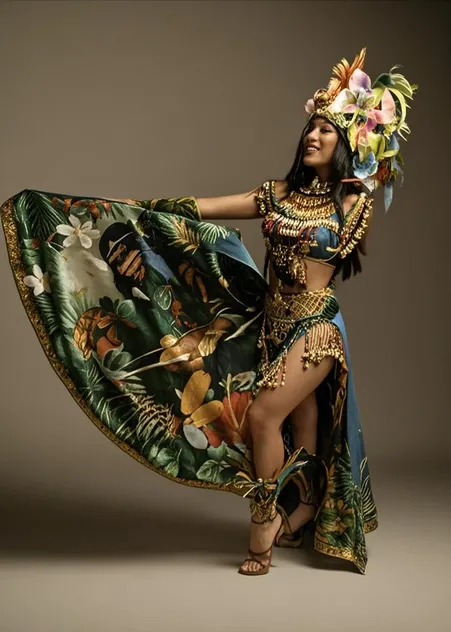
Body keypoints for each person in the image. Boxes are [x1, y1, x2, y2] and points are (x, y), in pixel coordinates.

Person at [0, 48, 416, 576]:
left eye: (326, 131)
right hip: (271, 326)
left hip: (316, 330)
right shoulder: (277, 194)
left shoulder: (351, 204)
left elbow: (354, 221)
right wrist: (140, 209)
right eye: (310, 128)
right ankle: (304, 509)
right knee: (302, 421)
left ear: (346, 144)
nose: (312, 137)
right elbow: (205, 208)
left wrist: (368, 160)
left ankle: (263, 529)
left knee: (263, 416)